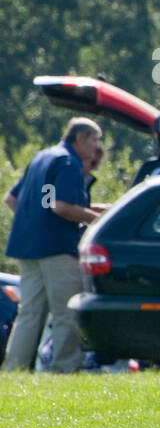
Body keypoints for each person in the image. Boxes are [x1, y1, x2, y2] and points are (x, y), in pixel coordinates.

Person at [2, 118, 104, 373]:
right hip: (57, 250)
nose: (96, 146)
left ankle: (13, 369)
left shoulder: (42, 157)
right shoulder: (68, 162)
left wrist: (35, 223)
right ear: (79, 138)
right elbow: (61, 207)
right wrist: (98, 220)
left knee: (28, 314)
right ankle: (64, 368)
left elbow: (12, 199)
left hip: (28, 248)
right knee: (65, 313)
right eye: (94, 139)